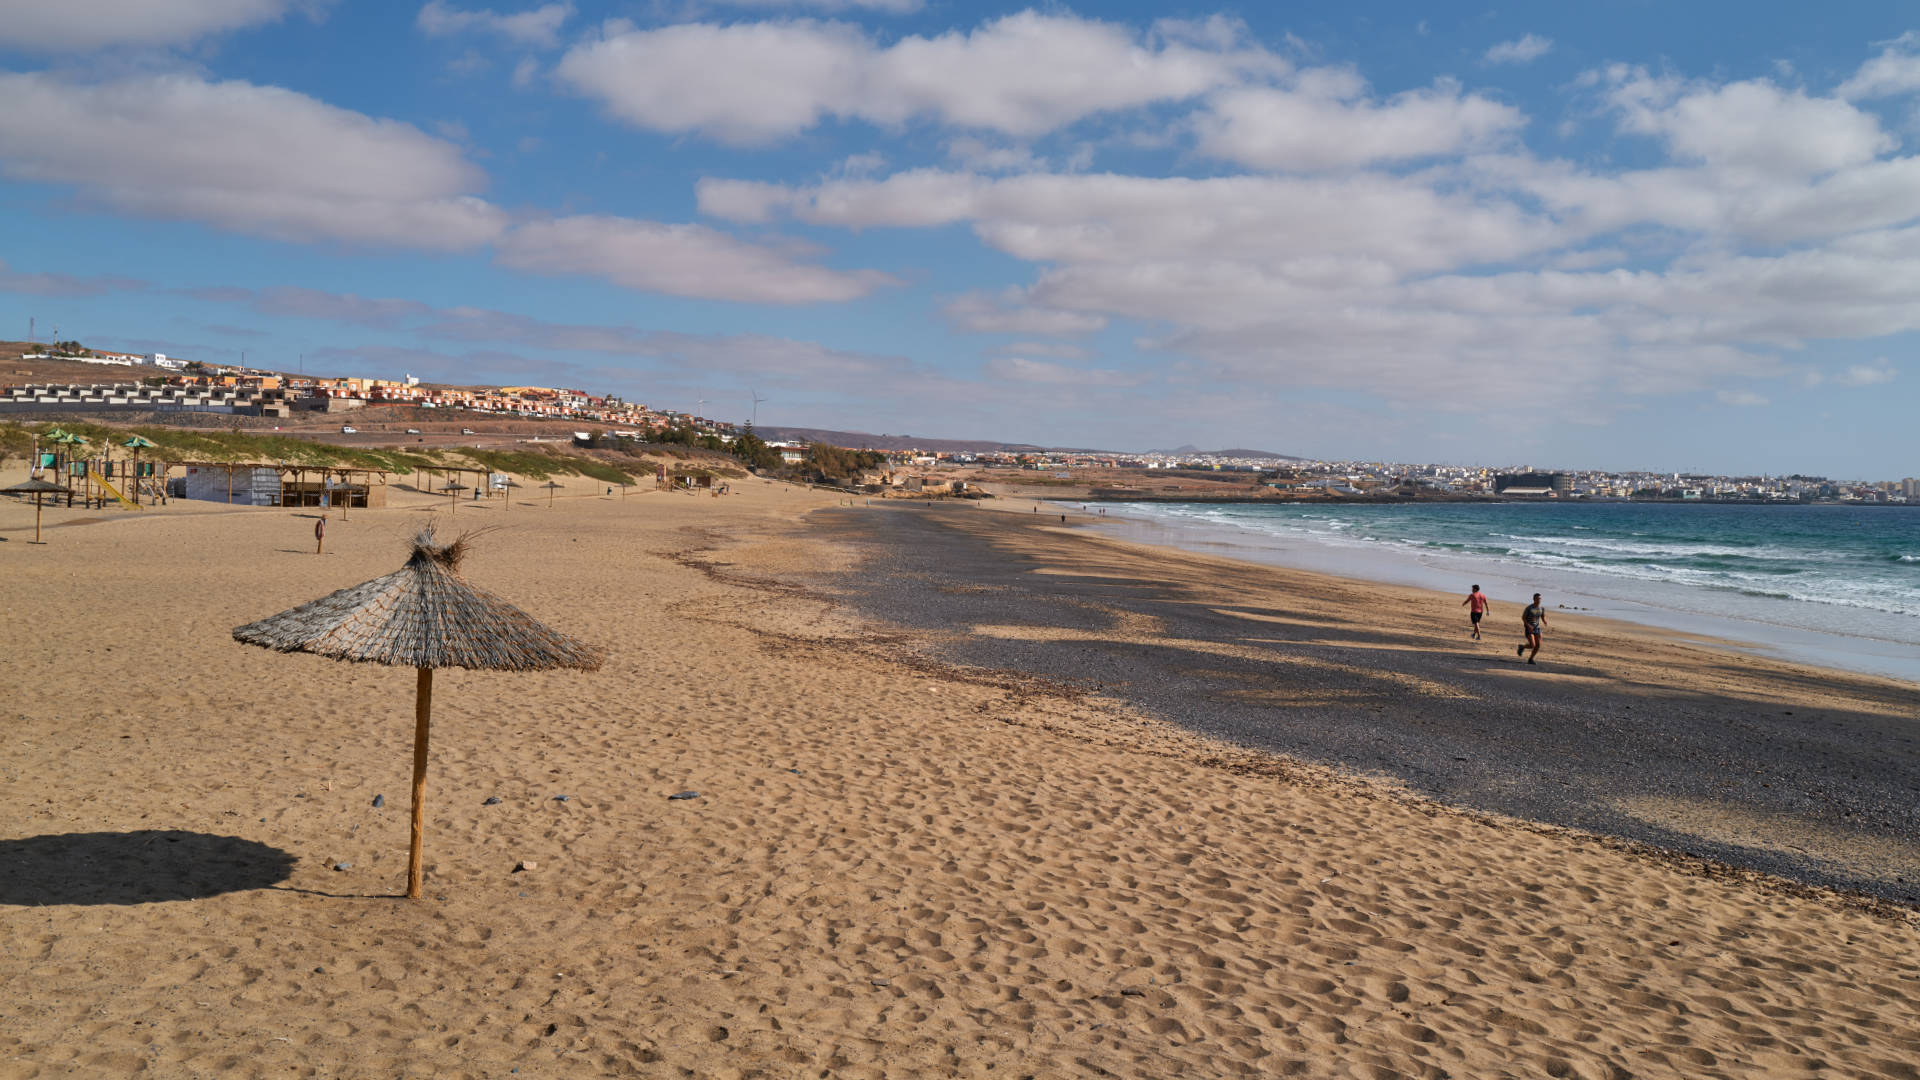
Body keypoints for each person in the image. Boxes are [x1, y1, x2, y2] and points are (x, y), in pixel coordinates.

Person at [1518, 593, 1546, 664]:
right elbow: (1523, 618)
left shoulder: (1541, 608)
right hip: (1529, 628)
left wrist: (1544, 620)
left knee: (1538, 645)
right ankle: (1522, 647)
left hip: (1537, 628)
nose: (1539, 600)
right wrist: (1528, 625)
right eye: (1537, 599)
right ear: (1534, 599)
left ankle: (1531, 659)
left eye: (1540, 599)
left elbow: (1542, 615)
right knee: (1532, 645)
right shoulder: (1529, 608)